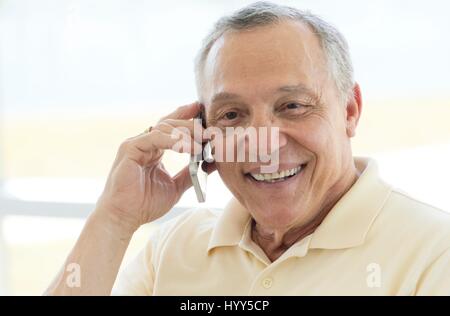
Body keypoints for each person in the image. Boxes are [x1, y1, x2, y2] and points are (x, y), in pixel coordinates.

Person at [45, 1, 450, 295]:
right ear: (202, 131)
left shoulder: (434, 253)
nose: (264, 146)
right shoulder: (175, 248)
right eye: (232, 115)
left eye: (292, 106)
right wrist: (114, 220)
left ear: (349, 110)